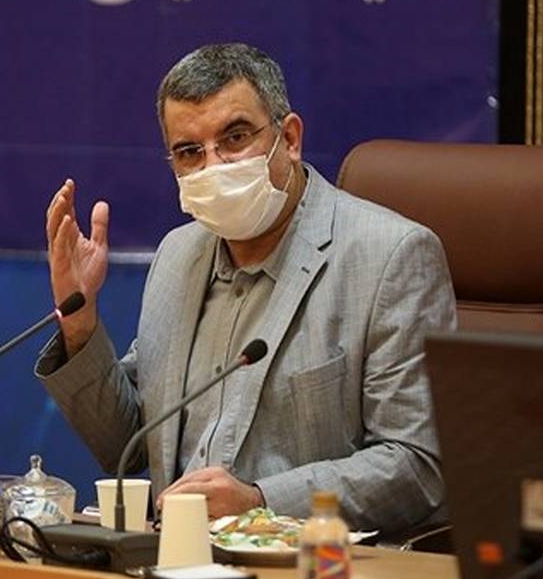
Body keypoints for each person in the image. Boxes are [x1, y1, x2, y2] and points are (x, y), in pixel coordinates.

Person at [35, 42, 455, 536]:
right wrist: (79, 319)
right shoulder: (178, 255)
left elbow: (417, 465)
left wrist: (260, 502)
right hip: (179, 559)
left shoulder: (391, 255)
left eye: (234, 138)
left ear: (289, 138)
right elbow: (124, 441)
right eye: (189, 152)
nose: (213, 166)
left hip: (314, 564)